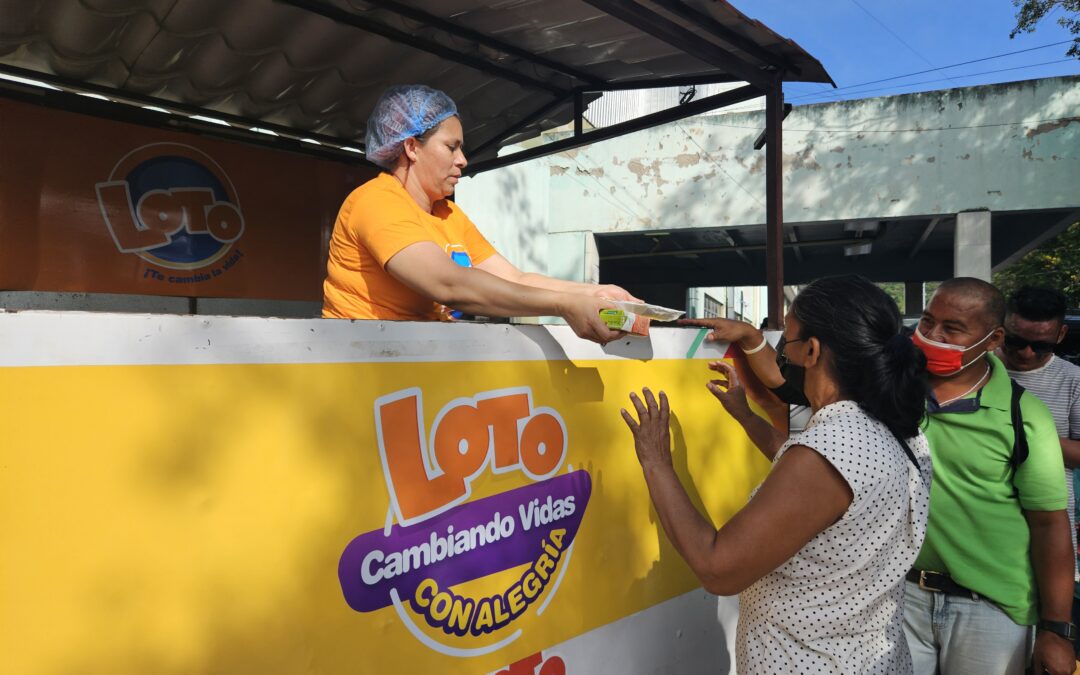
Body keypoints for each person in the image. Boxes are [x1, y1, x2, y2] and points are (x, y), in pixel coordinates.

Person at [622, 275, 932, 673]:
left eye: (787, 337)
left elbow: (716, 568)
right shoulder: (898, 430)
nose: (781, 350)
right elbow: (812, 487)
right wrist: (746, 416)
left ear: (812, 350)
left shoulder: (831, 448)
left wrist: (655, 461)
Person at [322, 84, 635, 344]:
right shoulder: (376, 201)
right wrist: (565, 304)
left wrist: (594, 293)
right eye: (451, 147)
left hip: (415, 364)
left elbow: (514, 278)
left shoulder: (448, 213)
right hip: (360, 364)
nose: (463, 160)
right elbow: (449, 285)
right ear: (412, 147)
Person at [905, 278, 1074, 675]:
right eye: (927, 321)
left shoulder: (1025, 416)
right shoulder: (894, 391)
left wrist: (1056, 630)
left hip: (991, 608)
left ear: (993, 338)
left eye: (952, 328)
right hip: (902, 595)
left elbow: (1050, 525)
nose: (932, 336)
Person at [997, 286, 1080, 653]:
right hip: (982, 540)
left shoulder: (1073, 380)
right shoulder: (976, 370)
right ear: (1000, 329)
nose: (1026, 353)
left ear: (1060, 335)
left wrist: (1026, 436)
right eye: (1015, 341)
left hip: (1048, 538)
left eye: (1041, 345)